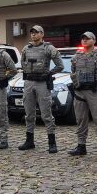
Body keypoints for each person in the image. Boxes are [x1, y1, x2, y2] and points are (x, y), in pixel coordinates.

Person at [68, 32, 97, 159]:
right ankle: (81, 146)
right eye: (83, 38)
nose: (84, 40)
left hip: (94, 92)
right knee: (81, 119)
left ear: (94, 41)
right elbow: (73, 71)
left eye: (87, 38)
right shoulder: (77, 56)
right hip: (80, 92)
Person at [18, 25, 64, 153]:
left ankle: (52, 142)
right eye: (32, 32)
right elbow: (23, 63)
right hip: (29, 82)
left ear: (42, 34)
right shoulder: (26, 48)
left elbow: (60, 65)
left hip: (42, 83)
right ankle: (29, 141)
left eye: (36, 32)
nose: (33, 35)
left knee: (46, 114)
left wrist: (49, 73)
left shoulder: (49, 48)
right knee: (29, 114)